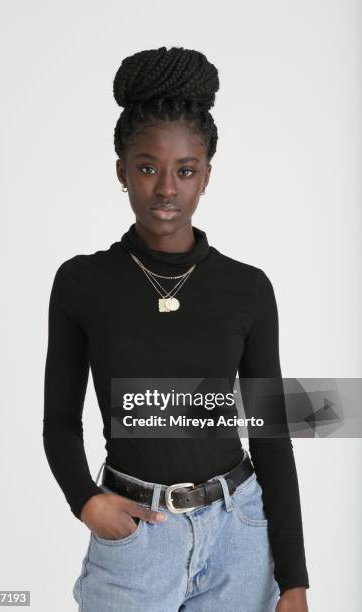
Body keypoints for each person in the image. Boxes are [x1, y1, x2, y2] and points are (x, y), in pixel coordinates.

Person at [43, 46, 310, 611]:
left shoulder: (248, 289)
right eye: (147, 167)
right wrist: (86, 501)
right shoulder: (82, 283)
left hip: (241, 535)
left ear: (206, 175)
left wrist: (294, 581)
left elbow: (271, 435)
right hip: (136, 539)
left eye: (185, 170)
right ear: (122, 171)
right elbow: (60, 422)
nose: (166, 188)